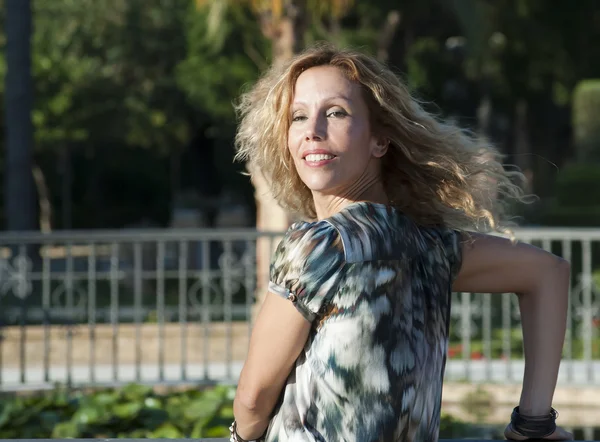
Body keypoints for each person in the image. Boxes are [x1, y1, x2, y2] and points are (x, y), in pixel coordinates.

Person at [229, 42, 573, 442]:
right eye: (298, 117)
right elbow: (549, 273)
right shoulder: (432, 248)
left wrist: (239, 437)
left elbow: (253, 399)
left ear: (380, 140)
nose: (312, 131)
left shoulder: (319, 246)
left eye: (336, 112)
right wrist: (533, 423)